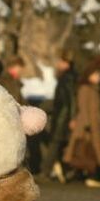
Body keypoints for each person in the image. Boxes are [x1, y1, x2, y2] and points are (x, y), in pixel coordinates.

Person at [63, 57, 100, 188]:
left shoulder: (94, 89)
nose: (99, 77)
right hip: (89, 126)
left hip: (95, 125)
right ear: (90, 74)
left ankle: (85, 174)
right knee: (88, 151)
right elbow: (83, 109)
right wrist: (87, 125)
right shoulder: (85, 89)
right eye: (97, 74)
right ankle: (91, 175)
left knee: (92, 152)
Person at [40, 50, 77, 183]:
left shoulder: (68, 78)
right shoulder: (67, 77)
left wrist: (72, 117)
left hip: (63, 117)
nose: (58, 64)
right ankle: (66, 172)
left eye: (60, 61)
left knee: (55, 144)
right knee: (59, 145)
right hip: (62, 115)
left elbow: (72, 99)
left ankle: (45, 171)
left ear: (66, 62)